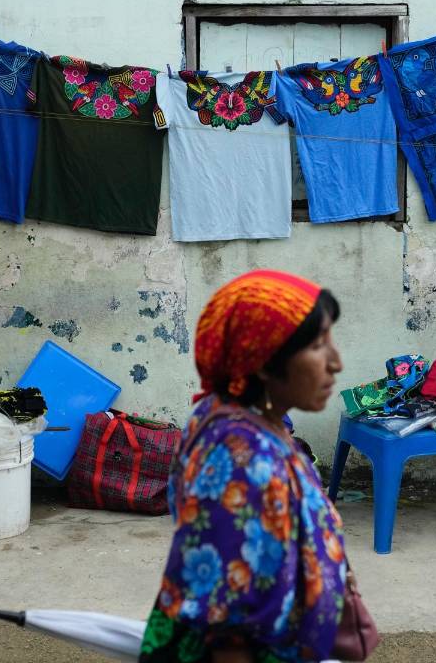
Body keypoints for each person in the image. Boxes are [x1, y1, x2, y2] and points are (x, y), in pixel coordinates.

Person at [140, 270, 349, 663]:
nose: (336, 362)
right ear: (264, 362)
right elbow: (227, 628)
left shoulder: (240, 415)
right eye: (319, 346)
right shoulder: (241, 457)